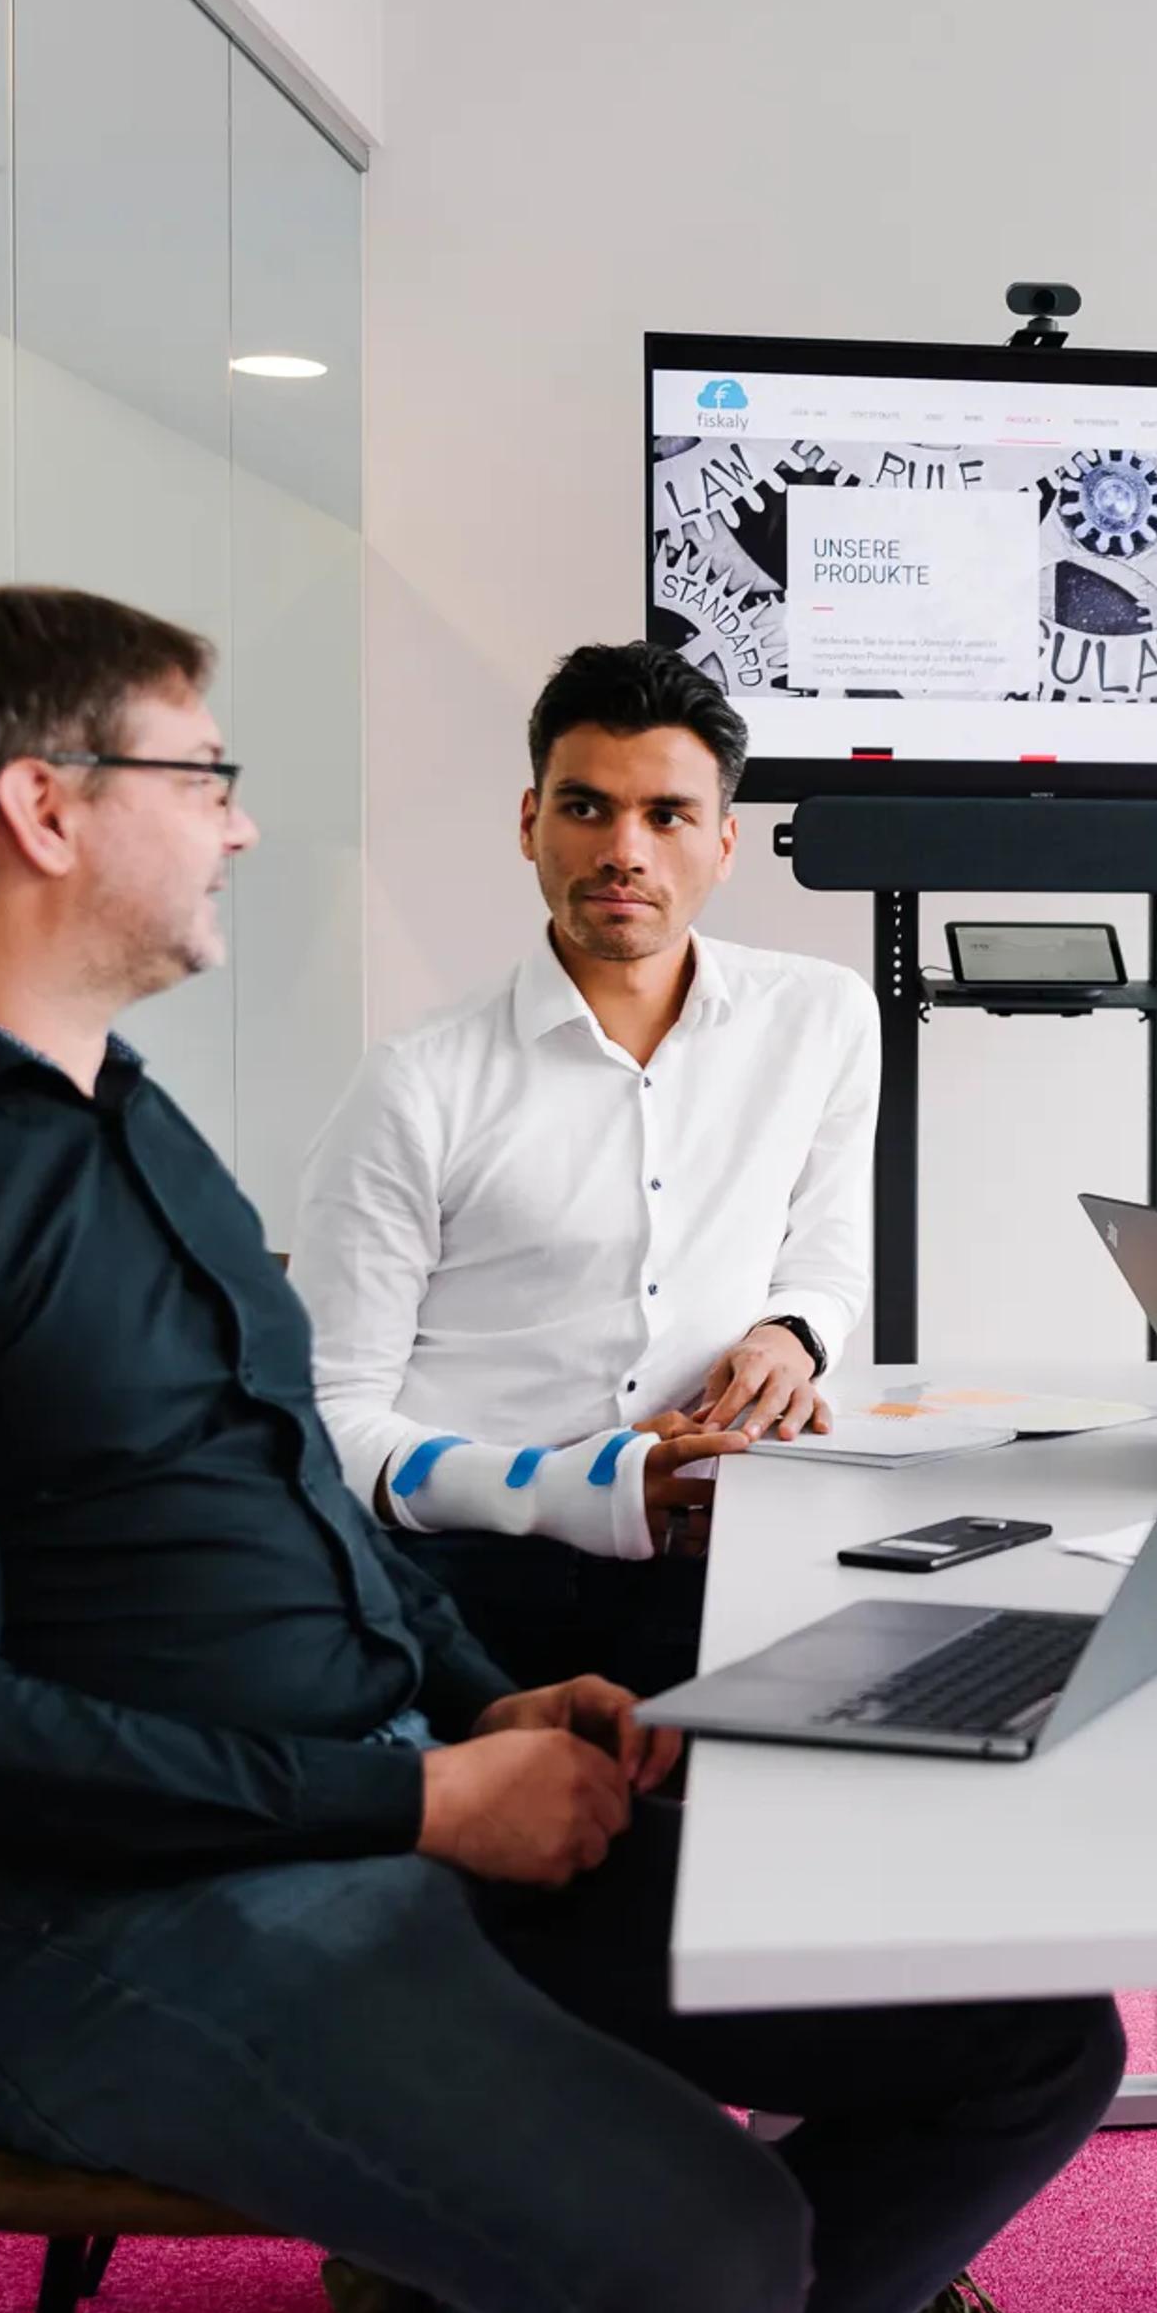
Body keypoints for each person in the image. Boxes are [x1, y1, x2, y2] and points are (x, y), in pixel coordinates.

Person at [0, 586, 1120, 2313]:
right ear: (45, 808)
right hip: (103, 1925)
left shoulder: (125, 1122)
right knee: (694, 2241)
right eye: (200, 772)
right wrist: (417, 1801)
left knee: (1031, 2036)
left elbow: (299, 1501)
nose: (242, 820)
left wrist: (497, 1703)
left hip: (366, 1807)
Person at [292, 642, 873, 1700]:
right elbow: (332, 1425)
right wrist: (585, 1488)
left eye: (667, 815)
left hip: (720, 1550)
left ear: (726, 841)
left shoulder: (822, 1018)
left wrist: (793, 1335)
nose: (624, 850)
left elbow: (827, 1256)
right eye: (587, 808)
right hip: (471, 1581)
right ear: (529, 824)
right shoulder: (414, 1083)